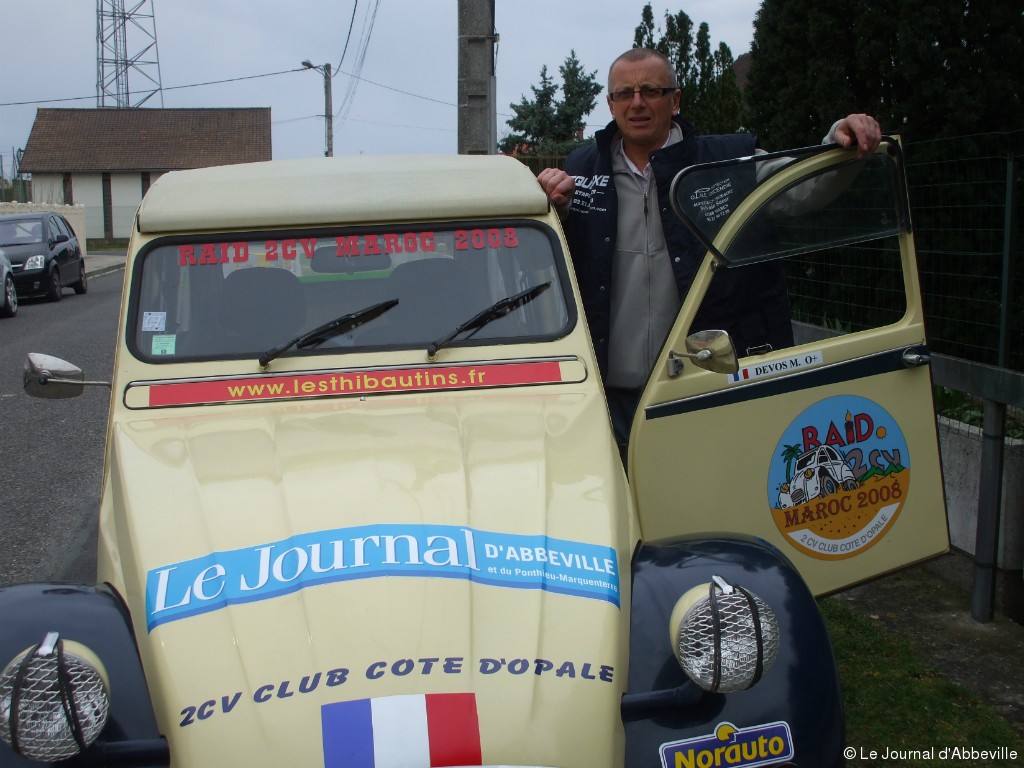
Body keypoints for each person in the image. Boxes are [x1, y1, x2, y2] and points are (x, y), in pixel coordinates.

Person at [537, 48, 881, 448]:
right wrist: (551, 206)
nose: (637, 103)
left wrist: (840, 141)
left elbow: (802, 187)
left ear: (675, 100)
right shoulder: (581, 170)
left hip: (706, 391)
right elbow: (548, 263)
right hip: (610, 401)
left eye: (651, 90)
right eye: (625, 93)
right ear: (610, 104)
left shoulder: (725, 161)